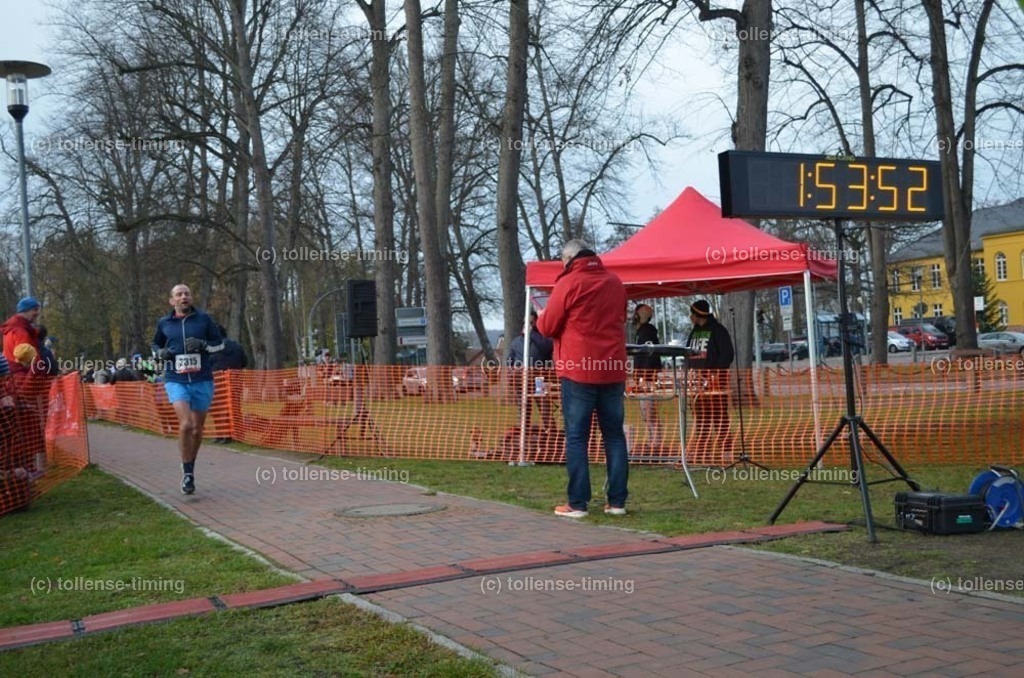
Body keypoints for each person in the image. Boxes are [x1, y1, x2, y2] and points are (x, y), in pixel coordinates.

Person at [536, 239, 629, 518]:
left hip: (579, 369)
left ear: (568, 259)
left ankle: (577, 503)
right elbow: (621, 318)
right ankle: (617, 502)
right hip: (612, 368)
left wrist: (540, 316)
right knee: (614, 436)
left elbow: (549, 326)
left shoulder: (568, 282)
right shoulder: (615, 282)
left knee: (577, 437)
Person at [151, 284, 224, 495]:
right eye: (179, 294)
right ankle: (186, 472)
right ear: (172, 301)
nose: (184, 297)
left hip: (202, 380)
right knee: (186, 425)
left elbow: (219, 344)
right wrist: (161, 353)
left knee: (197, 429)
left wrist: (202, 344)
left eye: (187, 294)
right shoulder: (164, 323)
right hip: (176, 379)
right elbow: (155, 345)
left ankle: (190, 468)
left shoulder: (204, 320)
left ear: (191, 298)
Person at [683, 299, 735, 464]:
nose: (691, 317)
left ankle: (726, 451)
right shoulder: (694, 332)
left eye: (692, 313)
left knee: (719, 417)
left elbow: (727, 354)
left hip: (715, 383)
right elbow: (687, 353)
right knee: (701, 418)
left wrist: (715, 374)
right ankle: (703, 450)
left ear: (698, 314)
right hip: (697, 383)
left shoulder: (718, 331)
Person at [506, 309, 555, 430]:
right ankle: (524, 430)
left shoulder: (543, 339)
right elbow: (510, 359)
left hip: (538, 378)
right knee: (523, 405)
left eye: (531, 322)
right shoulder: (516, 341)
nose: (528, 324)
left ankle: (551, 432)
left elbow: (547, 348)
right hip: (520, 378)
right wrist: (512, 370)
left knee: (543, 404)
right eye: (526, 322)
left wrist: (531, 333)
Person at [631, 304, 663, 449]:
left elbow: (649, 357)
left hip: (647, 379)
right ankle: (653, 441)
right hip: (644, 378)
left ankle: (655, 443)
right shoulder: (642, 333)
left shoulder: (647, 333)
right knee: (647, 413)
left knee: (650, 413)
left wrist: (644, 377)